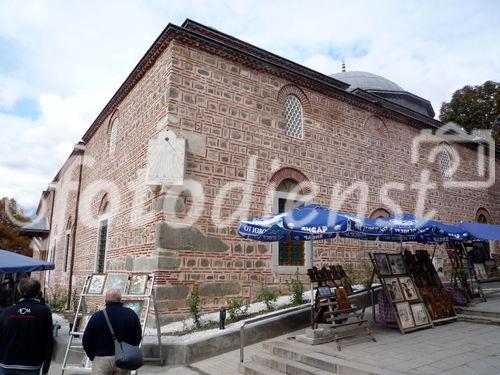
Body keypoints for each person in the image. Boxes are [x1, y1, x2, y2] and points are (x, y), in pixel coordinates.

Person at [0, 277, 53, 375]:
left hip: (6, 363)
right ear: (38, 292)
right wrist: (46, 369)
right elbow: (48, 341)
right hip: (31, 364)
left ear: (19, 291)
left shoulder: (6, 312)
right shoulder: (44, 312)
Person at [83, 289, 142, 375]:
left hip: (102, 359)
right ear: (120, 299)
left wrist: (92, 356)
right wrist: (130, 351)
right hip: (124, 358)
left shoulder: (97, 316)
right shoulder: (131, 314)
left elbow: (86, 340)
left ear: (106, 300)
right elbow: (138, 336)